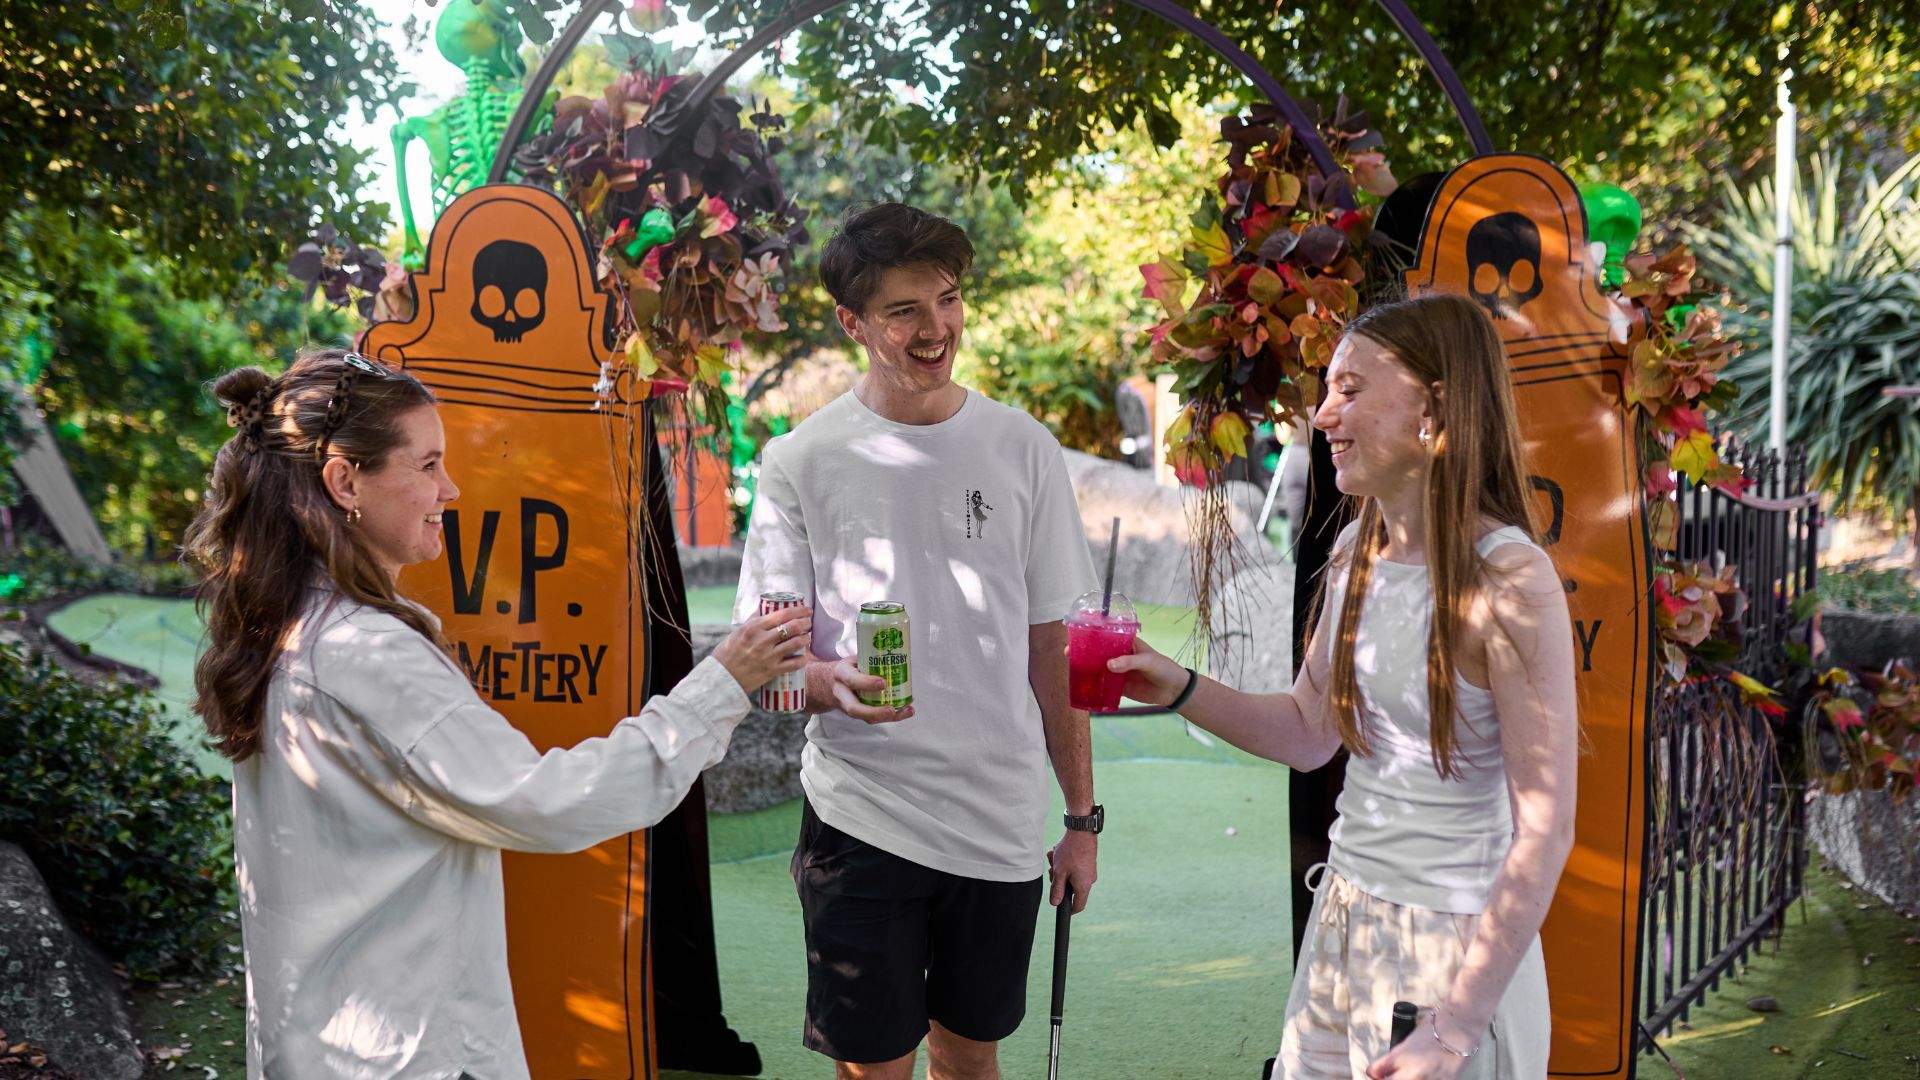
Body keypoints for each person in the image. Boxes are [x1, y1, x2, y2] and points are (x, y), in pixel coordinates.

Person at [184, 348, 810, 1080]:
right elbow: (549, 801)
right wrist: (723, 683)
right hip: (404, 1051)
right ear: (345, 481)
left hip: (322, 1036)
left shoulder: (285, 626)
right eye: (427, 465)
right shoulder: (366, 654)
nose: (450, 490)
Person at [1111, 294, 1578, 1079]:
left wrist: (1455, 1028)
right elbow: (1307, 731)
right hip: (1343, 915)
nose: (1323, 415)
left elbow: (1545, 830)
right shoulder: (1359, 548)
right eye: (1327, 391)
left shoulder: (1509, 581)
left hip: (1451, 952)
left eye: (1351, 390)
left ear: (1434, 408)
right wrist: (1177, 686)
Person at [735, 202, 1100, 1080]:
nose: (936, 328)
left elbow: (1053, 646)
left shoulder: (1023, 448)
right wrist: (827, 682)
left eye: (947, 299)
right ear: (852, 323)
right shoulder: (800, 460)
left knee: (970, 1058)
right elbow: (768, 664)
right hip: (862, 814)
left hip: (999, 817)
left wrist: (1081, 820)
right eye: (904, 311)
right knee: (875, 1068)